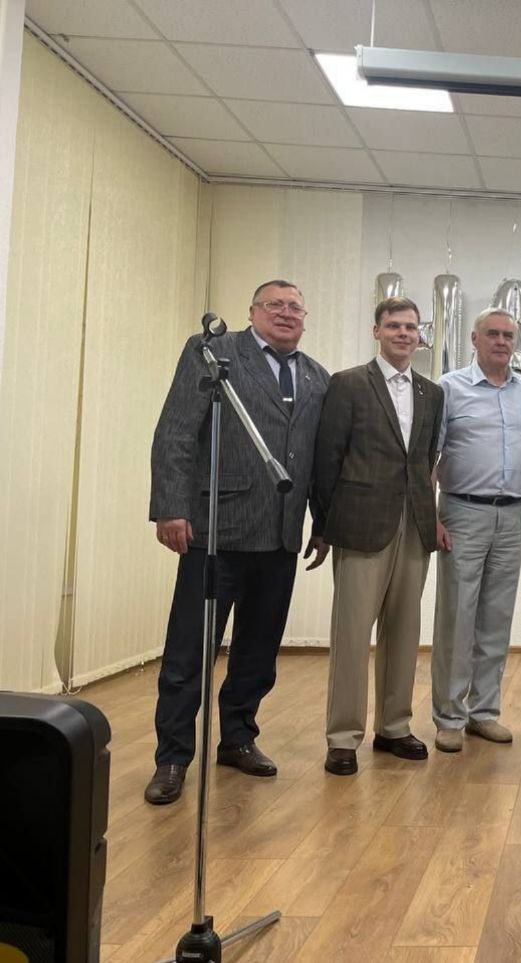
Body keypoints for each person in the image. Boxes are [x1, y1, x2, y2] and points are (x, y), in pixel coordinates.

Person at [145, 279, 330, 805]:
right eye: (275, 304)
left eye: (296, 307)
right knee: (190, 652)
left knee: (258, 651)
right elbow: (176, 431)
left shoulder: (317, 377)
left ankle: (238, 738)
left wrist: (321, 522)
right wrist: (171, 507)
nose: (286, 313)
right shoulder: (213, 352)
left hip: (280, 535)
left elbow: (317, 458)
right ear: (252, 311)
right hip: (215, 531)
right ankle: (173, 757)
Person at [312, 296, 444, 776]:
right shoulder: (348, 384)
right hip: (360, 525)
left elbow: (426, 461)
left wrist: (429, 518)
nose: (404, 333)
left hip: (415, 525)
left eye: (411, 327)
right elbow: (327, 459)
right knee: (352, 634)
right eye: (394, 326)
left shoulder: (432, 393)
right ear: (377, 331)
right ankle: (343, 736)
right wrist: (323, 526)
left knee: (405, 631)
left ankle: (394, 726)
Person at [431, 308, 521, 753]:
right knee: (457, 616)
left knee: (497, 617)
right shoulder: (449, 388)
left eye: (508, 336)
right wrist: (431, 517)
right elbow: (429, 456)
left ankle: (484, 712)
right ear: (475, 339)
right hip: (462, 512)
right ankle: (449, 716)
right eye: (493, 334)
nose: (501, 342)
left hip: (514, 513)